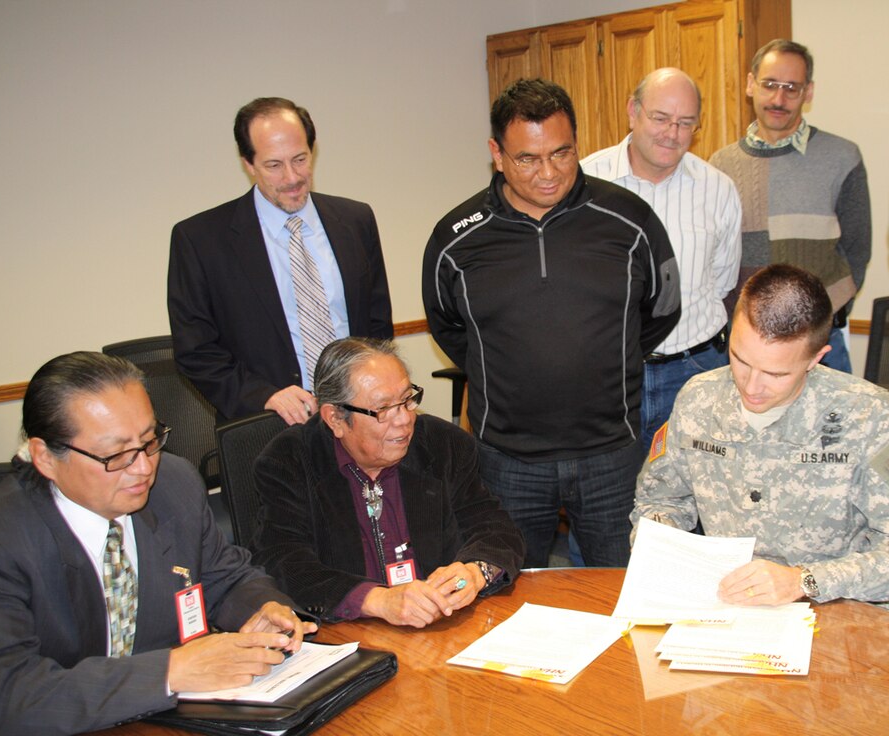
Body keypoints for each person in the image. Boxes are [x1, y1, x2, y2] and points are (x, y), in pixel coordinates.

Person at [423, 78, 681, 569]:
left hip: (612, 456)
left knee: (624, 594)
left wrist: (608, 357)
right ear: (496, 154)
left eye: (561, 154)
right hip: (507, 461)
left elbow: (663, 309)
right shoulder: (456, 239)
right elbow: (450, 329)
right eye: (527, 159)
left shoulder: (630, 220)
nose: (548, 173)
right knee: (507, 597)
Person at [0, 352, 315, 736]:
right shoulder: (6, 535)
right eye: (116, 455)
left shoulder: (173, 484)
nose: (144, 468)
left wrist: (265, 608)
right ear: (45, 457)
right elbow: (8, 693)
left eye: (149, 441)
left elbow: (226, 576)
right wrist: (172, 671)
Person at [633, 264, 889, 612]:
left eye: (776, 374)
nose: (751, 387)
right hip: (729, 611)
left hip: (842, 614)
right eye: (740, 359)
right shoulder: (699, 399)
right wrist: (664, 547)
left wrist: (802, 580)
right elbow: (659, 502)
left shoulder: (868, 415)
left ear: (816, 358)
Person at [252, 338, 524, 628]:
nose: (405, 420)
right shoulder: (288, 462)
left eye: (408, 400)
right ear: (335, 418)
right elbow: (282, 562)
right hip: (349, 633)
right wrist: (378, 600)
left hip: (442, 626)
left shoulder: (443, 444)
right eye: (383, 409)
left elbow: (496, 528)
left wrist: (475, 571)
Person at [168, 97, 393, 425]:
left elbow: (377, 323)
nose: (292, 177)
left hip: (359, 418)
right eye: (274, 165)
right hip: (268, 424)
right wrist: (264, 396)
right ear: (248, 163)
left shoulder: (356, 219)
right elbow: (196, 352)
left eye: (300, 159)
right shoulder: (201, 240)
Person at [581, 67, 742, 451]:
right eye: (660, 118)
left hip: (697, 372)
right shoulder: (584, 182)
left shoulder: (717, 189)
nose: (672, 133)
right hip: (611, 379)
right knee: (615, 503)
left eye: (685, 123)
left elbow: (721, 280)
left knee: (699, 500)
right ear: (632, 111)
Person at [709, 39, 870, 374]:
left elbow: (858, 248)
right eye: (769, 85)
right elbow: (715, 258)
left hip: (820, 345)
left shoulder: (842, 157)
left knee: (830, 429)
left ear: (808, 92)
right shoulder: (720, 166)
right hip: (747, 347)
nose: (779, 99)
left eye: (791, 88)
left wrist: (831, 311)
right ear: (751, 84)